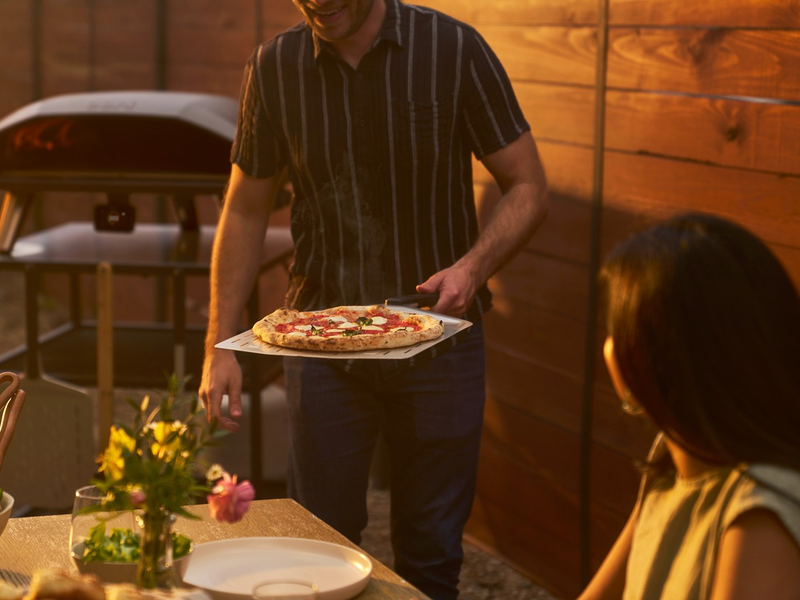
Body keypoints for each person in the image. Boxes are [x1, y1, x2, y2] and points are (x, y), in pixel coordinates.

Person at [198, 0, 549, 598]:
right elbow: (245, 207)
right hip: (320, 342)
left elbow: (528, 185)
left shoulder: (455, 49)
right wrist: (218, 346)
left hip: (440, 338)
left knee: (432, 551)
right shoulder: (275, 66)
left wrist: (473, 267)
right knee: (320, 547)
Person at [579, 213, 800, 600]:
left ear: (647, 361)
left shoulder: (759, 518)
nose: (608, 346)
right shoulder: (672, 456)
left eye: (615, 330)